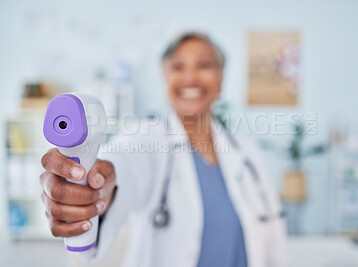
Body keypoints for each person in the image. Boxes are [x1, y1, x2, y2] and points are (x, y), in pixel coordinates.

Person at [39, 32, 287, 267]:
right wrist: (101, 184)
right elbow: (124, 163)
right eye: (178, 67)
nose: (190, 77)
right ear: (165, 78)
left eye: (204, 65)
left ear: (221, 80)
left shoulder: (246, 150)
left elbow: (272, 238)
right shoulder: (147, 138)